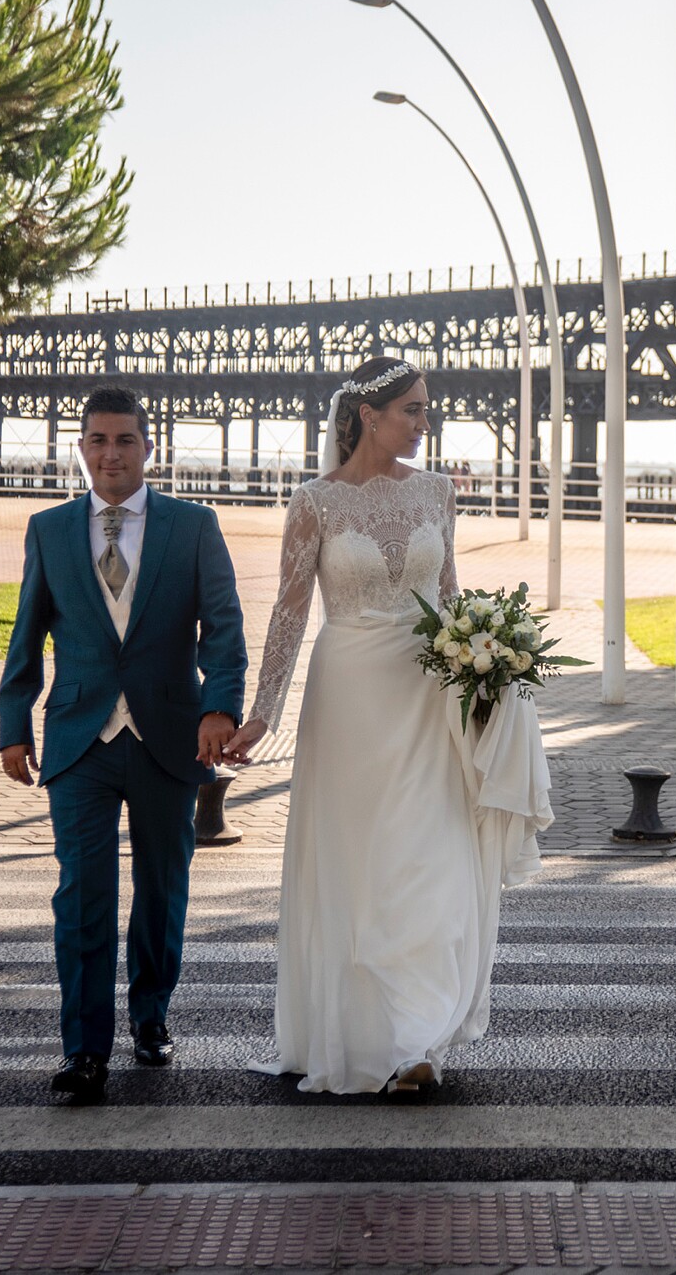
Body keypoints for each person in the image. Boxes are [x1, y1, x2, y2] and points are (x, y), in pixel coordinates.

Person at [222, 356, 549, 1095]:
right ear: (369, 415)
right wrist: (262, 712)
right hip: (349, 703)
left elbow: (451, 595)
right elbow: (289, 610)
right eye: (412, 409)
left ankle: (421, 1037)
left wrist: (487, 668)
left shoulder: (439, 491)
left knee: (429, 857)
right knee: (361, 866)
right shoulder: (314, 502)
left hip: (429, 697)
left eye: (426, 408)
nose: (424, 421)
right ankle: (372, 1032)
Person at [0, 386, 248, 1106]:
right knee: (82, 894)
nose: (112, 453)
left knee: (163, 889)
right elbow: (27, 635)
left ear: (148, 445)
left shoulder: (193, 526)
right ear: (81, 448)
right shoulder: (48, 529)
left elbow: (224, 632)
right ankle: (83, 1048)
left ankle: (151, 1014)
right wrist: (14, 724)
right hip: (79, 738)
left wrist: (218, 709)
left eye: (126, 440)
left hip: (171, 739)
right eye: (99, 440)